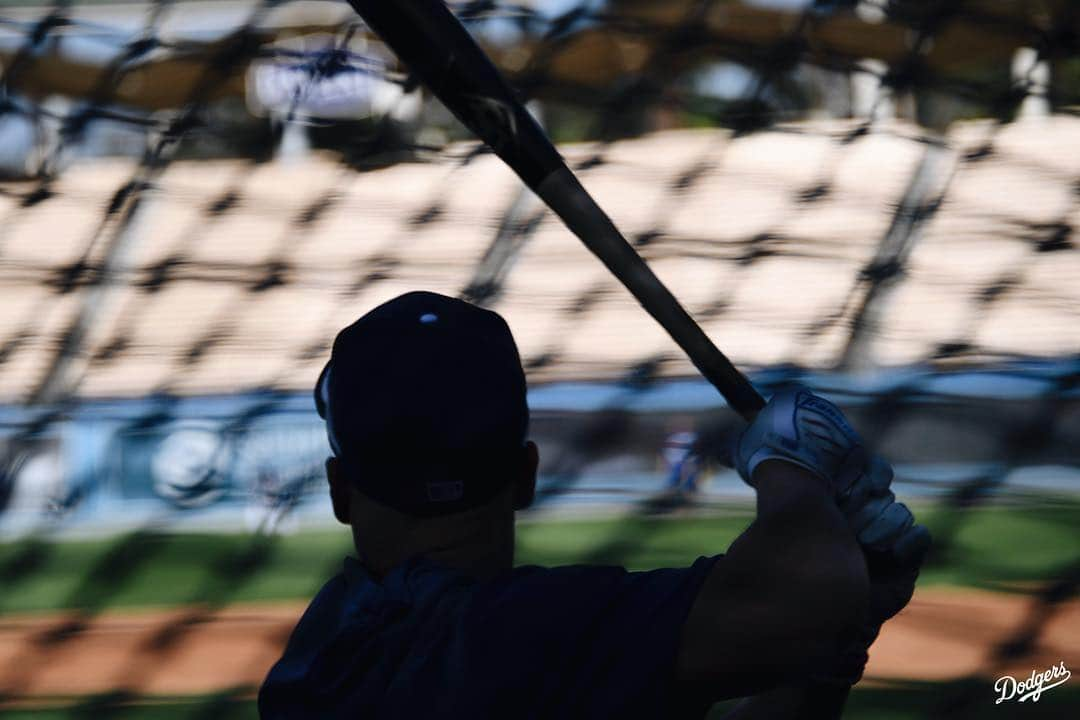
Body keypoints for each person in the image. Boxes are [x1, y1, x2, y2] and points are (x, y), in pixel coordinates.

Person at [259, 291, 929, 719]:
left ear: (340, 490)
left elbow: (805, 618)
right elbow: (800, 603)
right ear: (525, 474)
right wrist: (789, 464)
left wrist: (840, 638)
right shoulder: (544, 632)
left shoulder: (323, 658)